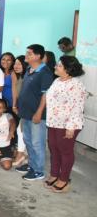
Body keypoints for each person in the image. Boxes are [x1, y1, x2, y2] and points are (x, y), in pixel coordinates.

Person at [45, 56, 86, 193]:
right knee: (54, 148)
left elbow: (77, 106)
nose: (56, 67)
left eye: (59, 65)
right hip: (53, 122)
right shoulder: (57, 81)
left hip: (67, 124)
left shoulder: (76, 85)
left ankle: (64, 179)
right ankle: (54, 174)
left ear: (68, 69)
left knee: (65, 151)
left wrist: (71, 126)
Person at [16, 44, 54, 181]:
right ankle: (31, 165)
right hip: (26, 113)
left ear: (38, 56)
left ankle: (38, 171)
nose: (26, 55)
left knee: (37, 143)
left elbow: (45, 96)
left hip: (37, 115)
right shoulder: (29, 70)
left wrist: (39, 113)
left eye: (30, 53)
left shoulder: (45, 73)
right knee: (28, 141)